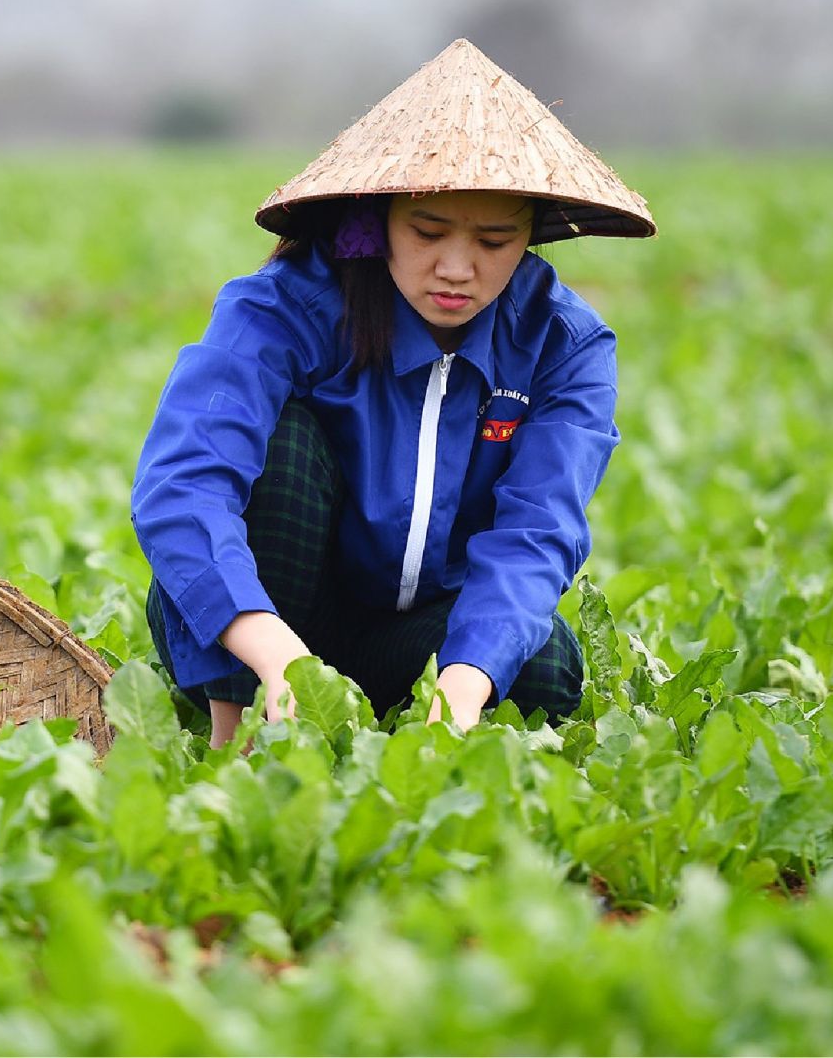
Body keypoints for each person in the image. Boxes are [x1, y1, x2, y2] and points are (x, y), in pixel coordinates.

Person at [131, 39, 657, 748]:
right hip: (268, 621)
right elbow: (183, 486)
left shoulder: (565, 345)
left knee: (546, 664)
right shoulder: (287, 305)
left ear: (532, 234)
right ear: (378, 218)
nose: (457, 268)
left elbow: (537, 535)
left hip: (406, 634)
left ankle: (389, 724)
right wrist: (280, 661)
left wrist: (461, 690)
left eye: (495, 241)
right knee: (283, 451)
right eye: (428, 230)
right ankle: (237, 734)